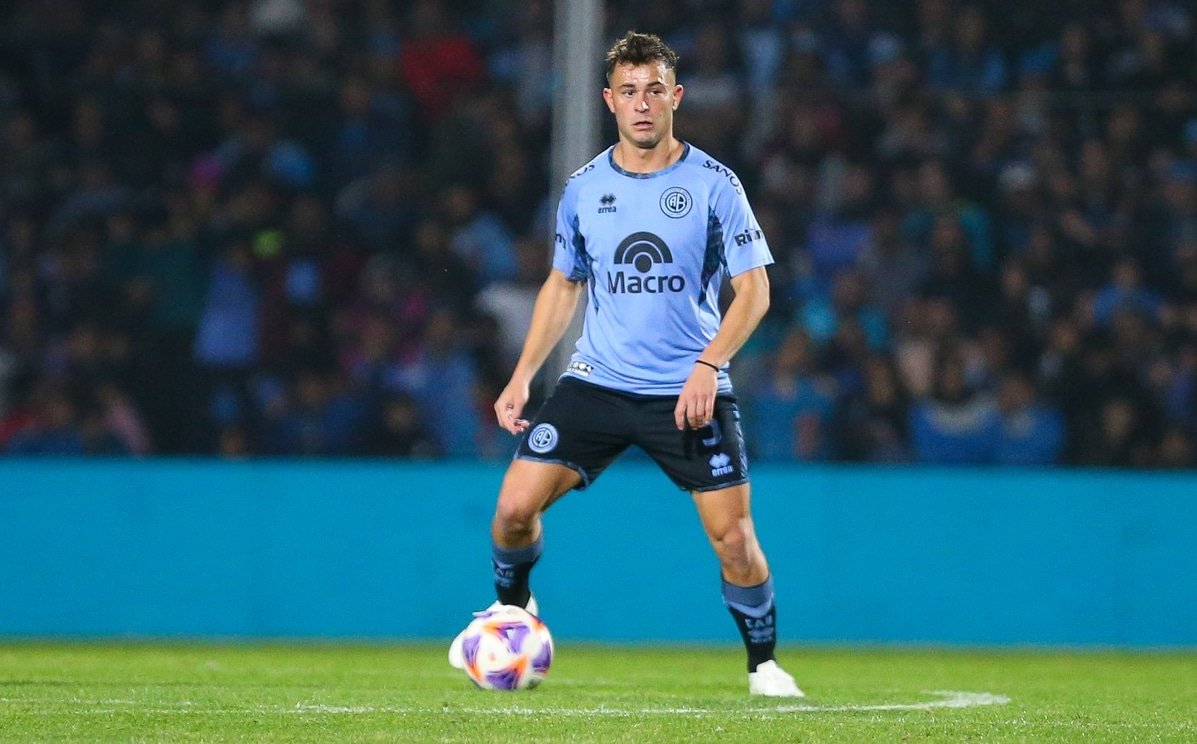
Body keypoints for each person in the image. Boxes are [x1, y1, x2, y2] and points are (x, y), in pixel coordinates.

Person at [447, 31, 803, 697]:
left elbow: (754, 292)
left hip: (687, 392)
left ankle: (763, 665)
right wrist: (523, 373)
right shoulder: (583, 189)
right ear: (609, 100)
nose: (642, 104)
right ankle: (514, 611)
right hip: (597, 385)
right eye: (629, 92)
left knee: (732, 540)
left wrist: (708, 364)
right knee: (511, 510)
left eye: (654, 90)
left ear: (676, 96)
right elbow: (563, 285)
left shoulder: (714, 185)